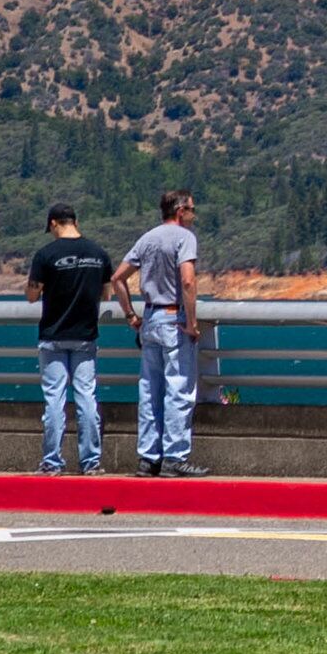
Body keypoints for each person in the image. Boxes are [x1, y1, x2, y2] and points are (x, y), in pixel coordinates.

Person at [111, 190, 206, 478]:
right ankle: (175, 458)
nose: (193, 215)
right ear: (179, 210)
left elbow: (117, 278)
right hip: (173, 318)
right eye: (191, 209)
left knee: (150, 390)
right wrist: (191, 323)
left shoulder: (147, 238)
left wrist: (131, 315)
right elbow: (188, 281)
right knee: (179, 390)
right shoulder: (184, 238)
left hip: (150, 319)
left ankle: (148, 458)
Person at [23, 203, 122, 475]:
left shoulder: (45, 255)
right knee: (86, 398)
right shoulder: (98, 254)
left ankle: (52, 462)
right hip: (85, 335)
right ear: (75, 221)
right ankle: (91, 462)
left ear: (54, 223)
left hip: (53, 335)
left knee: (54, 400)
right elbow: (107, 294)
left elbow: (32, 296)